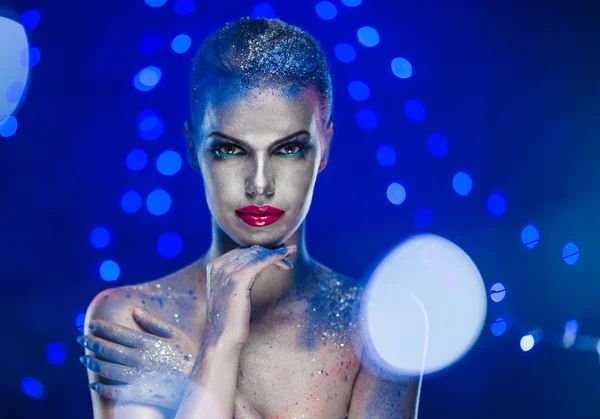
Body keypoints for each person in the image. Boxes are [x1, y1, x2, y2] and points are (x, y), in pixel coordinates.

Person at [77, 17, 418, 419]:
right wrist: (220, 344)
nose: (259, 184)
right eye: (230, 150)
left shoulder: (385, 323)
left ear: (324, 147)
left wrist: (190, 380)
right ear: (192, 148)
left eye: (288, 148)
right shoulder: (132, 318)